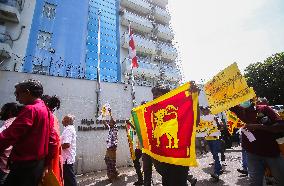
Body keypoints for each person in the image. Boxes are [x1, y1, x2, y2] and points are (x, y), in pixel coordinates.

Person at [0, 79, 58, 186]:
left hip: (23, 166)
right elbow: (53, 141)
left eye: (17, 93)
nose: (16, 98)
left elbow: (9, 135)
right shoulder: (47, 111)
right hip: (38, 165)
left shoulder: (30, 109)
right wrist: (46, 164)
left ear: (27, 92)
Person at [150, 81, 200, 186]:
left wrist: (194, 99)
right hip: (162, 162)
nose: (155, 100)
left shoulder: (178, 110)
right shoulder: (152, 114)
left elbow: (195, 121)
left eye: (158, 97)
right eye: (154, 97)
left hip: (178, 161)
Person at [230, 99, 284, 186]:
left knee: (281, 178)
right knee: (255, 182)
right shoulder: (239, 110)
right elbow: (222, 102)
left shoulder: (264, 109)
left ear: (251, 99)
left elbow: (280, 126)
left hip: (271, 153)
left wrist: (257, 126)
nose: (242, 101)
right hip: (252, 154)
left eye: (245, 98)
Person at [42, 95, 63, 186]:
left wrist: (46, 164)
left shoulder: (49, 117)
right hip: (52, 155)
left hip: (50, 157)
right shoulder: (52, 117)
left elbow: (53, 140)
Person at [0, 103, 22, 185]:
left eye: (2, 110)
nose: (1, 112)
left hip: (3, 167)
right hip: (15, 166)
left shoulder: (6, 127)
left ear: (9, 112)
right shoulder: (20, 124)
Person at [201, 107, 223, 182]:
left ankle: (216, 173)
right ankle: (219, 168)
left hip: (215, 139)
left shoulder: (215, 117)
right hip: (208, 139)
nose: (203, 111)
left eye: (204, 109)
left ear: (208, 110)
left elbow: (222, 125)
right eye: (202, 110)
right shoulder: (202, 119)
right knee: (214, 155)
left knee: (216, 155)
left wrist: (217, 123)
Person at [103, 109, 119, 182]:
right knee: (107, 160)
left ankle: (112, 176)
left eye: (110, 122)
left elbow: (113, 120)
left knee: (111, 162)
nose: (109, 122)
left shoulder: (115, 128)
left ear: (113, 123)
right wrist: (103, 116)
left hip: (112, 148)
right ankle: (115, 173)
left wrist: (110, 113)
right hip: (109, 148)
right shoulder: (110, 128)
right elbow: (104, 123)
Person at [61, 114, 77, 186]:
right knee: (67, 178)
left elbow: (67, 144)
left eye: (64, 119)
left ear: (68, 121)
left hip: (67, 158)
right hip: (67, 157)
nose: (62, 120)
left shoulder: (68, 129)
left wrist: (57, 147)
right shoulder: (69, 128)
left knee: (70, 178)